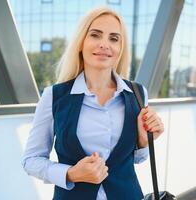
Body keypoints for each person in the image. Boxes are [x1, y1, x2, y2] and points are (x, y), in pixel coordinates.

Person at [22, 6, 164, 200]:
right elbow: (31, 160)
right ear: (81, 42)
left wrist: (142, 140)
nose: (105, 44)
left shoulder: (138, 93)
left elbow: (137, 159)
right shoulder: (54, 96)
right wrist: (70, 173)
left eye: (114, 38)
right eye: (95, 35)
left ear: (120, 48)